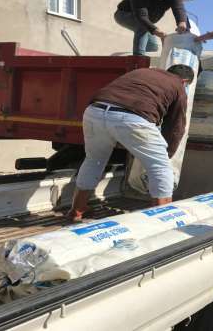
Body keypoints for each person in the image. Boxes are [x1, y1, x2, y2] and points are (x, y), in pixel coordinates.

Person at [67, 65, 195, 221]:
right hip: (132, 116)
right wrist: (167, 153)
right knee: (160, 167)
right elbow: (176, 126)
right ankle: (162, 217)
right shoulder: (178, 86)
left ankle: (77, 211)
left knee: (94, 160)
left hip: (94, 110)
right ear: (184, 81)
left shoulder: (142, 71)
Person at [115, 0, 189, 56]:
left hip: (147, 20)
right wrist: (157, 31)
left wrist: (182, 23)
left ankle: (150, 60)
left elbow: (179, 9)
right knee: (143, 26)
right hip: (123, 15)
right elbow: (141, 17)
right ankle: (138, 58)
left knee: (153, 46)